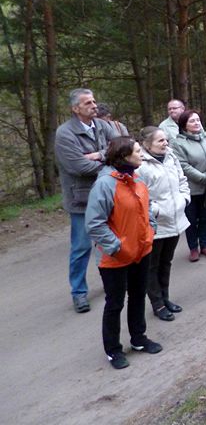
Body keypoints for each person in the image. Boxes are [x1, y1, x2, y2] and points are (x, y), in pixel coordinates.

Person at [85, 136, 162, 369]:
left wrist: (150, 229)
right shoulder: (104, 185)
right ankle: (113, 350)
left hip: (141, 251)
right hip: (115, 259)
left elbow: (146, 207)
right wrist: (117, 247)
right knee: (115, 303)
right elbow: (94, 223)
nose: (142, 155)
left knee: (138, 295)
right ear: (124, 156)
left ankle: (138, 338)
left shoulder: (136, 178)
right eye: (138, 151)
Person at [55, 88, 120, 313]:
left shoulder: (102, 125)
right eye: (88, 103)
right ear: (75, 109)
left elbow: (121, 147)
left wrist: (98, 155)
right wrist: (109, 161)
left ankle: (112, 281)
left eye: (94, 101)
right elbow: (79, 166)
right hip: (81, 199)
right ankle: (79, 292)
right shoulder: (64, 134)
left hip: (108, 195)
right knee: (81, 247)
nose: (94, 105)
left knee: (109, 241)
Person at [136, 126, 191, 322]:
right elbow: (140, 196)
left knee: (166, 262)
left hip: (176, 218)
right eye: (160, 141)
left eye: (166, 139)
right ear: (147, 144)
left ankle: (166, 298)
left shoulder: (171, 157)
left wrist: (184, 199)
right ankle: (157, 304)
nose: (165, 143)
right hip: (156, 224)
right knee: (152, 265)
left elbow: (182, 180)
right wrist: (158, 211)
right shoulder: (140, 165)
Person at [171, 109, 206, 262]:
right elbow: (183, 166)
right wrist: (204, 177)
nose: (196, 123)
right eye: (192, 121)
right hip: (191, 189)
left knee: (205, 218)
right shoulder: (177, 143)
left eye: (198, 120)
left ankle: (205, 245)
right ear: (184, 125)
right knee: (191, 220)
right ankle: (193, 248)